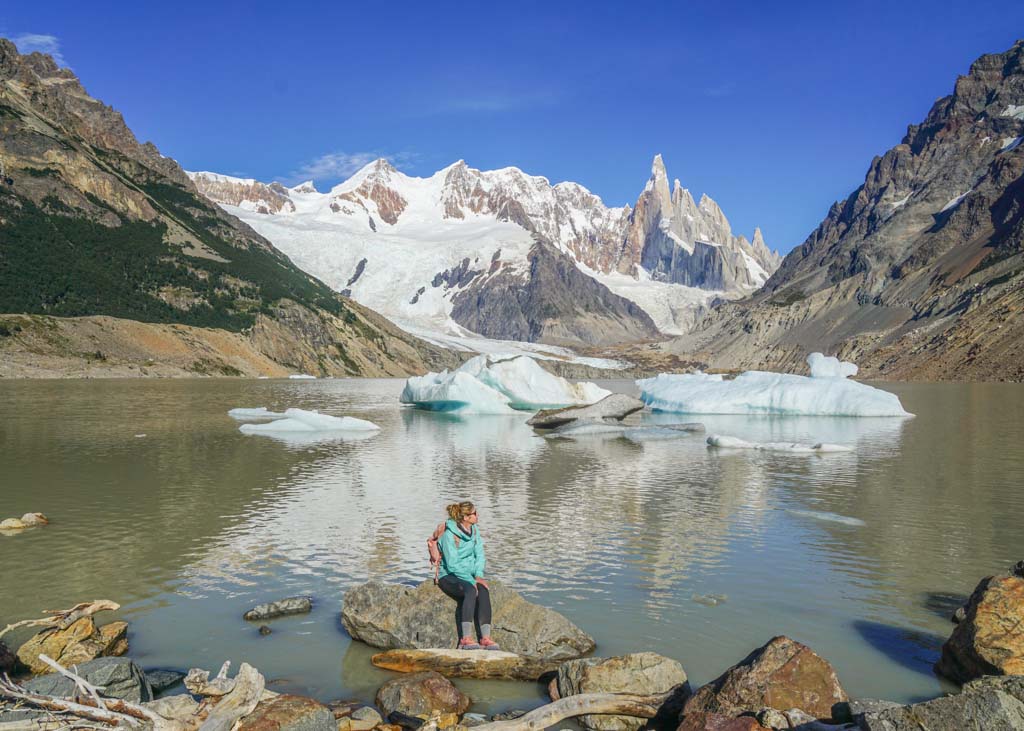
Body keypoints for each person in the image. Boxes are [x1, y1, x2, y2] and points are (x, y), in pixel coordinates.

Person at [436, 501, 500, 650]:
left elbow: (480, 555)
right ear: (465, 517)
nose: (477, 516)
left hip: (469, 575)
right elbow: (452, 564)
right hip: (449, 576)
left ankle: (485, 638)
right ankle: (465, 639)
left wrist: (478, 575)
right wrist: (471, 580)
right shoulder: (449, 535)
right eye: (474, 513)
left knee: (483, 590)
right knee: (470, 590)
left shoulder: (474, 531)